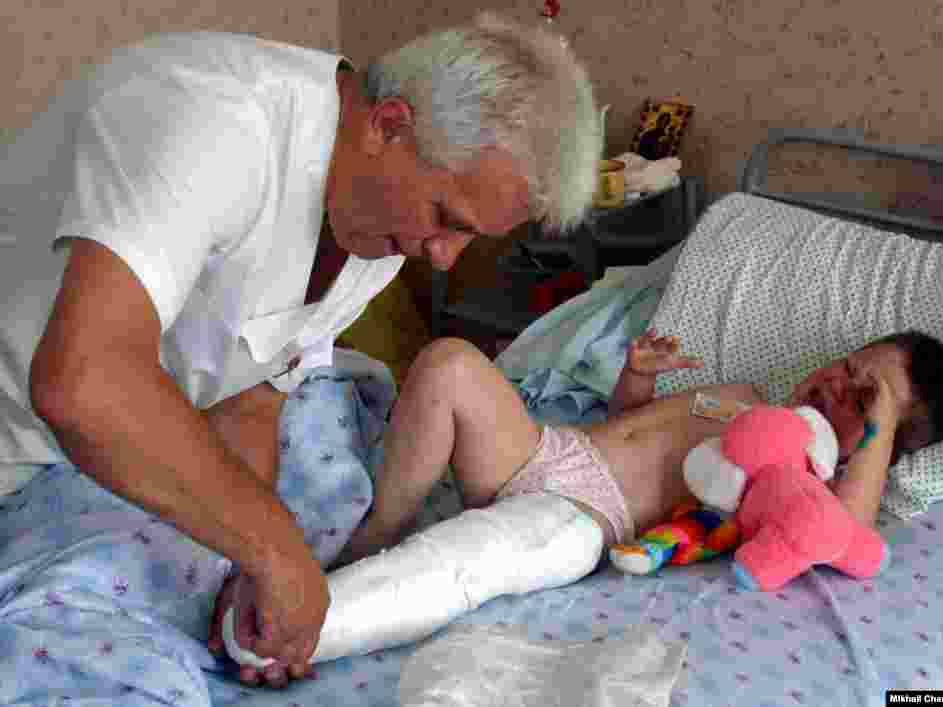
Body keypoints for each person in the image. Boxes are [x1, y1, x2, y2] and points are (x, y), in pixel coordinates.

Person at [0, 13, 602, 689]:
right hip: (24, 447)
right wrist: (274, 548)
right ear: (389, 126)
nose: (442, 258)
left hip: (98, 449)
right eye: (446, 218)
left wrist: (241, 569)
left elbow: (253, 397)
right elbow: (82, 381)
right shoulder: (212, 122)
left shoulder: (375, 231)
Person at [217, 328, 943, 667]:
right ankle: (376, 526)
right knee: (448, 361)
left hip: (585, 516)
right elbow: (627, 428)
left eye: (861, 394)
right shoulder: (744, 395)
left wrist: (873, 428)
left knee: (454, 563)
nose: (838, 383)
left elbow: (843, 526)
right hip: (552, 451)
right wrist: (638, 381)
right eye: (846, 366)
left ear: (884, 437)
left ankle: (300, 629)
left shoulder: (804, 483)